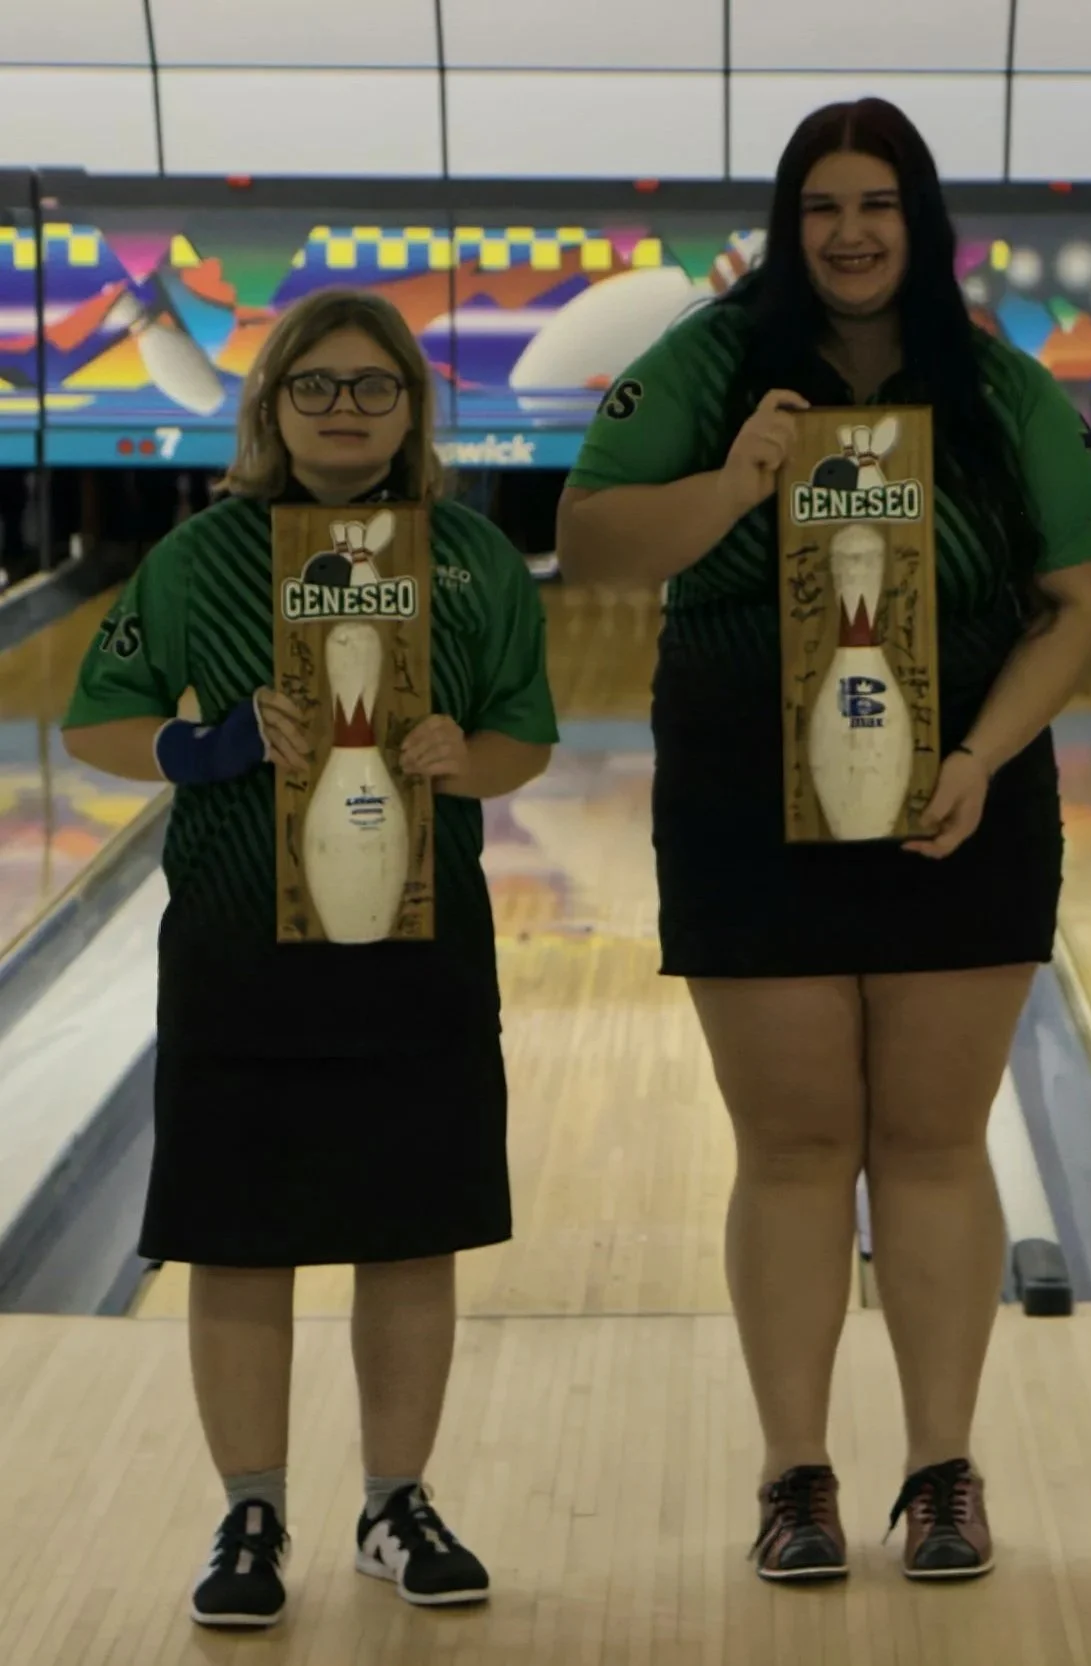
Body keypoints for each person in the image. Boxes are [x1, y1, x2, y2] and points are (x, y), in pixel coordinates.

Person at [552, 99, 1091, 1584]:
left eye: (879, 204)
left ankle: (944, 1471)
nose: (852, 232)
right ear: (788, 224)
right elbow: (595, 539)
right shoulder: (705, 361)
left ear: (921, 222)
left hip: (964, 795)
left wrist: (987, 753)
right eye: (824, 207)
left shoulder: (998, 386)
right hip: (750, 784)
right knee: (796, 1142)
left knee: (933, 1140)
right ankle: (793, 1473)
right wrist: (738, 481)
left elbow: (1083, 593)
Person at [60, 288, 557, 1628]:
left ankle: (396, 1500)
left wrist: (470, 759)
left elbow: (527, 733)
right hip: (237, 944)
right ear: (273, 405)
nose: (346, 409)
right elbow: (96, 720)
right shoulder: (198, 559)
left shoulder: (474, 560)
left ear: (412, 407)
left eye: (373, 386)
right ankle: (251, 1511)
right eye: (317, 386)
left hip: (418, 942)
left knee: (410, 1236)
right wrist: (204, 742)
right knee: (238, 1241)